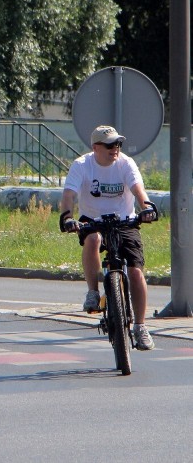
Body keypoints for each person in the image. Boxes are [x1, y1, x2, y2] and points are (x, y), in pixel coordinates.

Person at [59, 125, 158, 350]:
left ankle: (141, 327)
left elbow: (138, 189)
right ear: (95, 147)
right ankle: (93, 293)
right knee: (93, 240)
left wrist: (147, 208)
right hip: (93, 220)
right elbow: (69, 195)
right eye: (110, 144)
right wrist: (67, 218)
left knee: (134, 272)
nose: (115, 148)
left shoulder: (125, 163)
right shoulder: (82, 165)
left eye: (118, 144)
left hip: (125, 221)